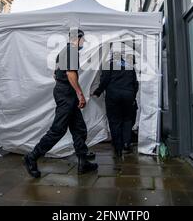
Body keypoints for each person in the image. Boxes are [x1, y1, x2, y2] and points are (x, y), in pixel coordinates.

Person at [24, 29, 98, 178]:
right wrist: (80, 94)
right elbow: (70, 73)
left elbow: (55, 73)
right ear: (78, 38)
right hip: (66, 93)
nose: (83, 43)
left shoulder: (63, 51)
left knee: (79, 128)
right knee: (58, 130)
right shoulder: (71, 50)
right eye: (83, 40)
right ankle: (32, 157)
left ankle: (83, 162)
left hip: (64, 91)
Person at [93, 50, 139, 158]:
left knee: (114, 120)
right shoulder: (129, 65)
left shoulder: (108, 65)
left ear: (113, 57)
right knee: (127, 119)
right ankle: (126, 144)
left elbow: (104, 81)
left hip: (113, 96)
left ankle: (118, 148)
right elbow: (135, 83)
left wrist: (97, 92)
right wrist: (133, 96)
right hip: (128, 96)